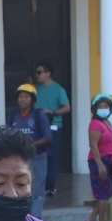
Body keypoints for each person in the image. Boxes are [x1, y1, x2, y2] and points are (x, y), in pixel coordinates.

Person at [5, 84, 52, 218]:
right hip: (19, 159)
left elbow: (48, 138)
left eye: (26, 96)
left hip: (38, 157)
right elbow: (8, 135)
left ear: (32, 100)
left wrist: (31, 145)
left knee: (36, 190)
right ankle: (21, 218)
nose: (23, 99)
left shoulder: (39, 115)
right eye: (20, 96)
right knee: (19, 188)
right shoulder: (13, 115)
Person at [32, 62, 72, 196]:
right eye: (36, 72)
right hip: (35, 127)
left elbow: (67, 107)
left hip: (53, 125)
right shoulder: (34, 89)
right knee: (35, 155)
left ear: (48, 73)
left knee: (52, 156)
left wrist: (52, 112)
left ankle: (50, 185)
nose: (37, 75)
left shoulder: (59, 89)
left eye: (39, 72)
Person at [87, 95, 112, 221]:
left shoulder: (106, 122)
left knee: (108, 191)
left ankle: (93, 218)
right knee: (103, 194)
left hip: (109, 160)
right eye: (101, 106)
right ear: (95, 108)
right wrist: (100, 164)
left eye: (106, 106)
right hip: (99, 161)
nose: (104, 109)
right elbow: (93, 145)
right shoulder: (95, 124)